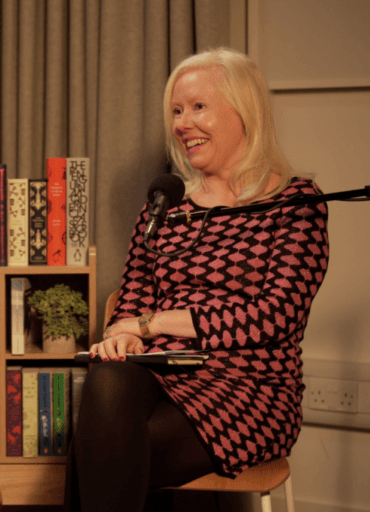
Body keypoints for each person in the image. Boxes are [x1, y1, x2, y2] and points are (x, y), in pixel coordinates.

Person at [65, 48, 329, 511]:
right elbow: (129, 307)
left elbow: (274, 316)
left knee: (104, 450)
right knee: (108, 382)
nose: (182, 123)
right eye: (176, 111)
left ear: (244, 111)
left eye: (198, 107)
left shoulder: (296, 202)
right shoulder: (165, 208)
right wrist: (122, 339)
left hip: (251, 389)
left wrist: (150, 326)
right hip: (162, 376)